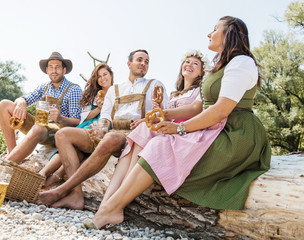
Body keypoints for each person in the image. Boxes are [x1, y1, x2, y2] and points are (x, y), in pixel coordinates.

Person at [84, 16, 272, 229]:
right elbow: (197, 108)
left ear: (230, 33)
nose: (209, 34)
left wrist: (180, 128)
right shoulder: (218, 66)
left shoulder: (242, 63)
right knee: (145, 129)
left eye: (215, 29)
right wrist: (162, 115)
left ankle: (112, 208)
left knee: (161, 145)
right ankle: (109, 202)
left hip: (236, 134)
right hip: (215, 125)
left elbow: (220, 110)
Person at [36, 49, 168, 209]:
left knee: (110, 138)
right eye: (139, 60)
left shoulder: (155, 85)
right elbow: (106, 117)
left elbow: (162, 115)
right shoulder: (115, 89)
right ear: (129, 64)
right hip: (110, 132)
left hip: (134, 135)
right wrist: (101, 127)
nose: (143, 64)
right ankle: (76, 195)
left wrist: (150, 117)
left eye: (146, 62)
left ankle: (61, 190)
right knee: (63, 134)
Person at [100, 49, 208, 206]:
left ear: (201, 72)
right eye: (187, 61)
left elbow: (191, 112)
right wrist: (149, 117)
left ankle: (117, 197)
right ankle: (107, 200)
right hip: (166, 130)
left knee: (144, 129)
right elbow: (161, 116)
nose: (189, 64)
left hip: (182, 132)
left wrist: (157, 115)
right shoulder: (174, 95)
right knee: (139, 133)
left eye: (195, 63)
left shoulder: (200, 91)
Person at [0, 52, 82, 164]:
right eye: (51, 67)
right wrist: (22, 101)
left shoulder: (74, 89)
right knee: (3, 105)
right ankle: (12, 154)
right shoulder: (44, 87)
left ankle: (6, 164)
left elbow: (77, 122)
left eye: (57, 67)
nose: (54, 71)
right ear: (47, 70)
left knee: (38, 128)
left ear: (64, 70)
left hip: (57, 133)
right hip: (40, 127)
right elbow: (26, 98)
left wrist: (60, 118)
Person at [38, 63, 114, 188]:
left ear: (111, 75)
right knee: (73, 147)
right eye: (99, 76)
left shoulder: (118, 93)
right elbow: (82, 118)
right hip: (88, 124)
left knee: (78, 149)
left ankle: (52, 176)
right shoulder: (93, 96)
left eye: (105, 74)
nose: (102, 78)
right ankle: (43, 174)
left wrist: (107, 108)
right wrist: (99, 109)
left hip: (105, 127)